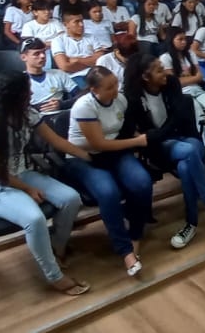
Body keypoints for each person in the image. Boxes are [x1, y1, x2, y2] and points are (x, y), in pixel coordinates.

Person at [0, 71, 90, 296]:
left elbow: (57, 141)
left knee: (71, 199)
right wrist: (28, 189)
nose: (31, 92)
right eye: (26, 90)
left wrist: (88, 155)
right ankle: (54, 276)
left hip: (21, 174)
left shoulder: (27, 113)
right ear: (13, 95)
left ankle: (56, 249)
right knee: (34, 219)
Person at [122, 54, 205, 249]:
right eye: (159, 70)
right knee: (187, 159)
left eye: (163, 67)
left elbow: (177, 118)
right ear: (146, 77)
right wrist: (156, 136)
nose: (165, 72)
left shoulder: (171, 83)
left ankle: (193, 222)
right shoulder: (133, 97)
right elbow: (138, 133)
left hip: (186, 138)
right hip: (160, 149)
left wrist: (158, 134)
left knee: (186, 161)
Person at [60, 67, 152, 277]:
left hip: (114, 151)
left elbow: (125, 130)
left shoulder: (120, 99)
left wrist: (139, 137)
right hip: (83, 157)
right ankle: (125, 251)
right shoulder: (84, 106)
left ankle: (135, 234)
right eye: (109, 87)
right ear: (94, 90)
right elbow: (99, 144)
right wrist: (137, 142)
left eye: (116, 84)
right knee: (108, 192)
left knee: (142, 183)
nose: (115, 90)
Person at [159, 27, 205, 131]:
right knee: (200, 116)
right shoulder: (165, 58)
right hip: (182, 94)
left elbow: (200, 76)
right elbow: (174, 83)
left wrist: (187, 78)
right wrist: (193, 77)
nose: (184, 42)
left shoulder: (190, 54)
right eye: (180, 39)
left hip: (197, 90)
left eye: (185, 39)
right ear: (171, 40)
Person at [19, 38, 80, 115]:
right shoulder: (19, 80)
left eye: (44, 52)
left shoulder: (59, 74)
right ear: (23, 57)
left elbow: (80, 96)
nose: (42, 56)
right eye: (36, 53)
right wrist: (37, 108)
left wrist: (63, 104)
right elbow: (16, 107)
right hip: (34, 119)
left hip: (61, 115)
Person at [53, 10, 107, 88]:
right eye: (76, 22)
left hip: (95, 73)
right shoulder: (58, 40)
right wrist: (91, 61)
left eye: (82, 21)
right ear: (66, 24)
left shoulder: (91, 37)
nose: (81, 25)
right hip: (74, 77)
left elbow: (100, 58)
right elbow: (64, 66)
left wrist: (77, 61)